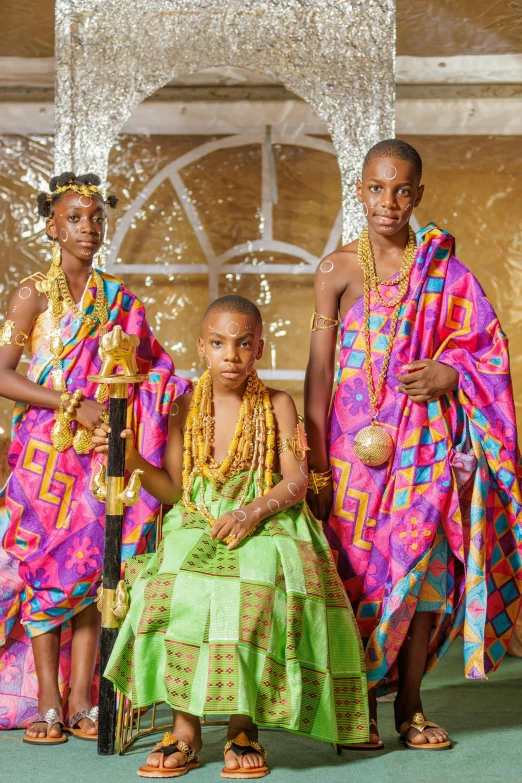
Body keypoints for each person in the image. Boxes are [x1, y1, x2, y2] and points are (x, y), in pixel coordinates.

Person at [304, 139, 522, 751]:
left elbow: (488, 352)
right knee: (355, 575)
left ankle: (411, 704)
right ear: (360, 191)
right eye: (377, 188)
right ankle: (358, 705)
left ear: (419, 195)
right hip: (350, 456)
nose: (389, 203)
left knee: (422, 568)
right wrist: (317, 460)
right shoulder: (335, 270)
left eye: (402, 190)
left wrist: (451, 375)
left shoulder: (446, 273)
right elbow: (318, 372)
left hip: (423, 450)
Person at [94, 295, 369, 778]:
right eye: (219, 343)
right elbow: (175, 490)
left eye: (244, 344)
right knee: (172, 587)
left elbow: (296, 481)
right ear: (201, 347)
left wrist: (249, 513)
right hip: (199, 515)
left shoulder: (279, 404)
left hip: (267, 515)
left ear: (259, 348)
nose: (232, 355)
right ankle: (185, 730)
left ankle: (245, 726)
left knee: (257, 588)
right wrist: (135, 460)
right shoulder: (184, 407)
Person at [0, 172, 190, 742]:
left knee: (90, 571)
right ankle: (48, 706)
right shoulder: (31, 293)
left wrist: (166, 391)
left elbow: (154, 366)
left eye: (95, 218)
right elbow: (1, 374)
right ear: (53, 226)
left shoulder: (119, 299)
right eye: (75, 219)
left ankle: (83, 700)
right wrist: (71, 403)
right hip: (43, 454)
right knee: (41, 570)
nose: (88, 228)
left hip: (102, 453)